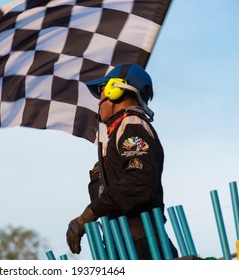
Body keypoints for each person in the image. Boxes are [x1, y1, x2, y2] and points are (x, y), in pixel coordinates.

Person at [66, 64, 178, 259]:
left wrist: (88, 216)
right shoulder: (119, 134)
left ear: (115, 90)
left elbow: (138, 182)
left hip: (143, 245)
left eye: (101, 92)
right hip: (124, 245)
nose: (99, 100)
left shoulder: (132, 126)